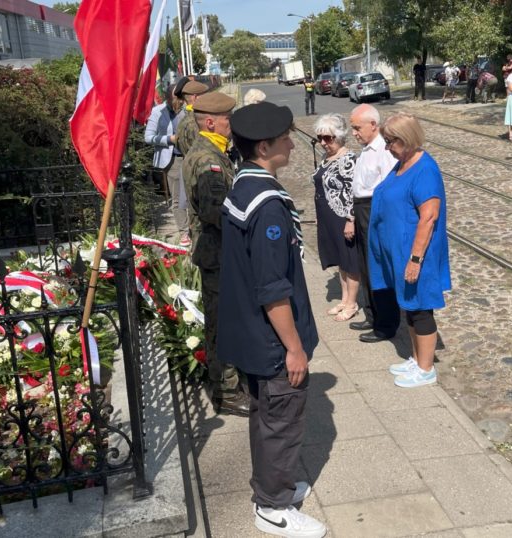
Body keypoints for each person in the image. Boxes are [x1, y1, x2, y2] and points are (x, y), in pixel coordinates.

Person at [218, 101, 326, 538]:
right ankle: (273, 507)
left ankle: (271, 485)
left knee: (266, 417)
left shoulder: (243, 185)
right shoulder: (267, 206)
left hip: (249, 333)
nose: (292, 145)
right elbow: (272, 287)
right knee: (281, 421)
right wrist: (294, 347)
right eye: (285, 139)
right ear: (264, 147)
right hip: (271, 340)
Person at [368, 112, 451, 388]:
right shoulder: (403, 163)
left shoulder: (425, 169)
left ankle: (427, 370)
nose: (388, 147)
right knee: (409, 306)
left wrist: (415, 259)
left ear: (407, 139)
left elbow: (429, 217)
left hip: (417, 253)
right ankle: (417, 359)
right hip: (400, 250)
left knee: (421, 309)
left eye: (391, 141)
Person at [182, 92, 250, 415]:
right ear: (210, 122)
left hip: (220, 254)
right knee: (221, 323)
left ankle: (228, 379)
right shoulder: (206, 160)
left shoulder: (215, 151)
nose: (230, 123)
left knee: (225, 318)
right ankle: (225, 389)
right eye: (227, 119)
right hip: (217, 254)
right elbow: (216, 212)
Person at [348, 104, 400, 343]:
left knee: (378, 266)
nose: (354, 133)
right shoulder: (366, 149)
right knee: (365, 265)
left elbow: (388, 188)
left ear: (373, 125)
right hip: (361, 208)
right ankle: (371, 314)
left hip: (374, 209)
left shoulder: (384, 151)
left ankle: (386, 323)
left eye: (357, 128)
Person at [312, 114, 360, 322]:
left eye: (328, 138)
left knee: (350, 260)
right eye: (320, 138)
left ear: (339, 136)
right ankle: (344, 298)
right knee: (340, 260)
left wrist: (351, 220)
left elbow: (353, 192)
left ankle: (352, 302)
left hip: (343, 216)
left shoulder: (348, 158)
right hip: (328, 216)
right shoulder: (326, 158)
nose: (323, 143)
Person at [144, 85, 188, 243]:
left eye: (179, 97)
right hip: (173, 159)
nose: (177, 100)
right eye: (174, 97)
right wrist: (169, 139)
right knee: (178, 197)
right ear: (167, 97)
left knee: (194, 193)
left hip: (190, 156)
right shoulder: (158, 112)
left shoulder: (187, 110)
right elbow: (148, 137)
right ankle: (184, 232)